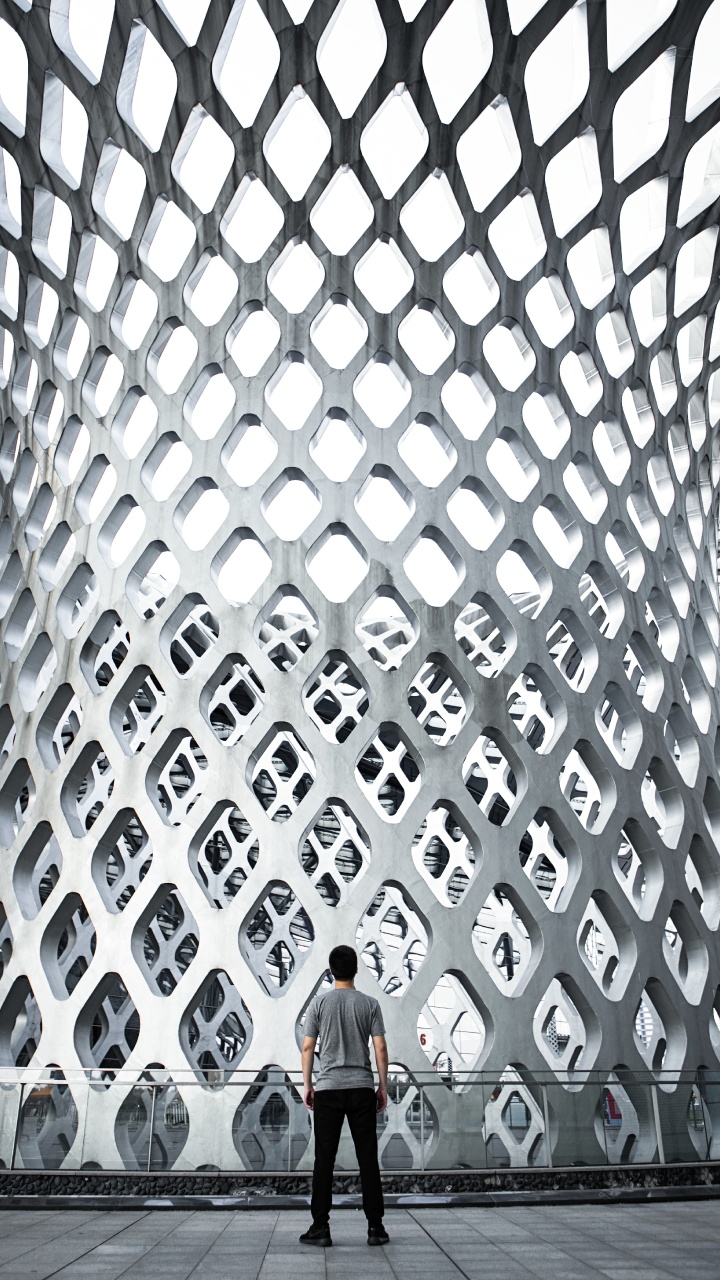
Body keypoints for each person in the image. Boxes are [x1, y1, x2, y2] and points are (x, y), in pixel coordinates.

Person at [299, 944, 389, 1248]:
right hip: (362, 1087)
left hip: (328, 1089)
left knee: (324, 1159)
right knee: (368, 1159)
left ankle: (320, 1228)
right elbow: (380, 1048)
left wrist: (308, 1084)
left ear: (330, 971)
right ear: (356, 970)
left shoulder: (319, 1004)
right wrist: (383, 1087)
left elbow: (308, 1047)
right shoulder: (369, 1004)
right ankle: (375, 1227)